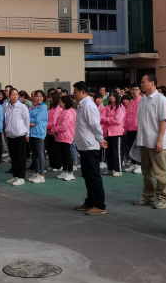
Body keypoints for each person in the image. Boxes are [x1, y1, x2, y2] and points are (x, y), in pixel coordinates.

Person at [134, 74, 166, 209]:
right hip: (144, 141)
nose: (141, 84)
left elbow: (163, 120)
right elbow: (141, 119)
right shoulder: (143, 100)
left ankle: (163, 198)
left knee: (160, 172)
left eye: (143, 82)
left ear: (152, 83)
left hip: (156, 141)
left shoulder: (161, 99)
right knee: (146, 172)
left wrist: (160, 139)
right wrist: (138, 136)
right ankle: (148, 196)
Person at [72, 82, 108, 216]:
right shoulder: (82, 105)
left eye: (75, 91)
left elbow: (95, 125)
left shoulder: (88, 105)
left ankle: (99, 205)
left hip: (90, 146)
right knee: (87, 176)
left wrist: (100, 139)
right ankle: (90, 201)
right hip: (84, 146)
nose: (74, 94)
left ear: (83, 92)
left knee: (93, 176)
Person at [4, 88, 30, 186]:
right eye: (13, 94)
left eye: (16, 94)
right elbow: (7, 120)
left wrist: (27, 134)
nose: (15, 96)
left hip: (20, 135)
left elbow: (26, 120)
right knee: (13, 157)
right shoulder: (7, 106)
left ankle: (21, 178)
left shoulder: (22, 107)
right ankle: (15, 176)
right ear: (9, 96)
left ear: (18, 95)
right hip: (10, 135)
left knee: (20, 157)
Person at [101, 90, 125, 176]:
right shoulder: (107, 107)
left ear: (117, 97)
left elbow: (118, 120)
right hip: (107, 132)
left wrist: (107, 118)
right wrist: (111, 118)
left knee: (116, 152)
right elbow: (101, 118)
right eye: (110, 96)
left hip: (116, 132)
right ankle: (110, 169)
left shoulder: (120, 107)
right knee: (108, 152)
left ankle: (118, 170)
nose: (111, 97)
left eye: (113, 96)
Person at [54, 95, 77, 180]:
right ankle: (65, 171)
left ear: (64, 103)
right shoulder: (63, 112)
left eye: (61, 102)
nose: (59, 103)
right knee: (63, 155)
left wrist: (55, 130)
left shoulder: (68, 113)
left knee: (67, 155)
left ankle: (70, 173)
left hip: (66, 136)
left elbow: (64, 126)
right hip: (60, 136)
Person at [28, 90, 48, 183]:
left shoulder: (43, 108)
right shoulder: (33, 107)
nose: (39, 98)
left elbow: (37, 119)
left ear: (43, 97)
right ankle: (36, 173)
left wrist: (29, 121)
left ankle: (42, 175)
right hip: (31, 132)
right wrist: (29, 122)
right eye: (37, 96)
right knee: (34, 154)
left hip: (39, 133)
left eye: (41, 96)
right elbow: (27, 117)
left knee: (40, 153)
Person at [123, 82, 142, 172]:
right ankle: (134, 163)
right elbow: (127, 115)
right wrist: (126, 127)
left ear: (140, 90)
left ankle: (140, 164)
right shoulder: (130, 102)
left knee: (139, 146)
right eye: (132, 89)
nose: (134, 91)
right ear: (130, 91)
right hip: (130, 128)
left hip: (138, 128)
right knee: (131, 146)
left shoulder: (142, 101)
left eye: (136, 90)